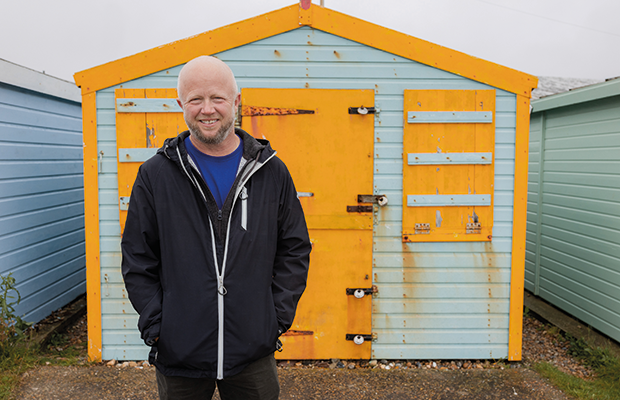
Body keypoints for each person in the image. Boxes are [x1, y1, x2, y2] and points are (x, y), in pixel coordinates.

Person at [121, 55, 311, 400]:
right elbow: (137, 256)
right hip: (180, 353)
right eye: (196, 99)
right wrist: (159, 326)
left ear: (236, 101)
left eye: (217, 98)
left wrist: (274, 318)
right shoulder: (155, 175)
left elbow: (294, 248)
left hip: (252, 352)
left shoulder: (270, 171)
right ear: (181, 104)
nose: (207, 109)